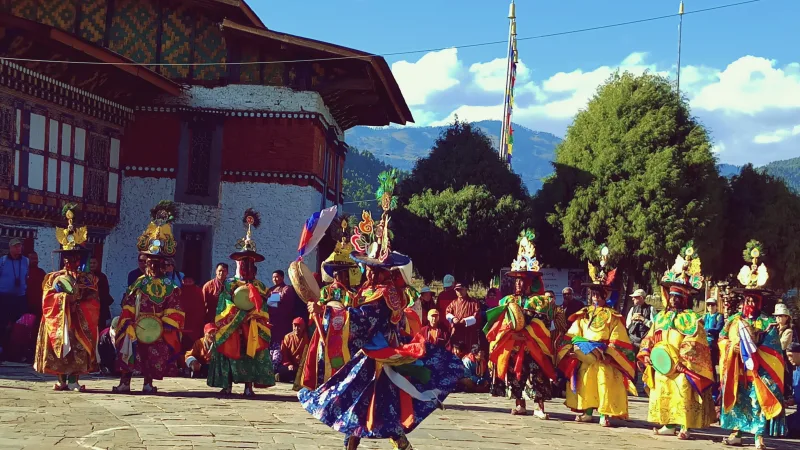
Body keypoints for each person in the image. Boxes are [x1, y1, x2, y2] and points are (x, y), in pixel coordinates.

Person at [298, 175, 463, 450]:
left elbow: (363, 320)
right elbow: (355, 309)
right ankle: (383, 444)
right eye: (367, 267)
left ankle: (391, 443)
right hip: (372, 355)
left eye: (371, 268)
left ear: (380, 271)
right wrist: (327, 307)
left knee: (368, 401)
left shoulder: (384, 294)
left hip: (378, 356)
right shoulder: (373, 291)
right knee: (367, 403)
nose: (366, 271)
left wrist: (327, 314)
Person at [638, 245, 715, 440]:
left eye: (677, 297)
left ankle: (685, 426)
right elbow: (649, 336)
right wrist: (647, 353)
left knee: (683, 391)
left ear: (685, 299)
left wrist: (683, 360)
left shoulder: (691, 319)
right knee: (663, 389)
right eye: (671, 296)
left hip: (681, 365)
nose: (673, 300)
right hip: (662, 363)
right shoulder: (661, 317)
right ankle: (668, 424)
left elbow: (695, 341)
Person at [556, 245, 636, 427]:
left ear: (605, 295)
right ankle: (587, 411)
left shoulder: (612, 316)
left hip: (604, 356)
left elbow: (619, 338)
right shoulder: (583, 314)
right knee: (586, 381)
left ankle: (604, 414)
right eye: (592, 294)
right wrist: (570, 348)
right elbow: (573, 333)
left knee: (603, 382)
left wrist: (607, 351)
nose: (594, 298)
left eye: (598, 295)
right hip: (585, 354)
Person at [113, 201, 185, 394]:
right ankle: (125, 382)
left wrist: (164, 325)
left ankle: (148, 382)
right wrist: (128, 321)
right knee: (128, 350)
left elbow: (175, 309)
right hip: (136, 325)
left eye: (156, 263)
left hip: (158, 327)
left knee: (153, 355)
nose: (151, 266)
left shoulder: (171, 286)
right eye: (149, 262)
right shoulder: (139, 283)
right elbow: (128, 303)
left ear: (163, 264)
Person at [720, 242, 786, 449]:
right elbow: (722, 339)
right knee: (738, 401)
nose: (749, 305)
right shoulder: (732, 320)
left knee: (757, 403)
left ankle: (759, 438)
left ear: (760, 303)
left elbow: (774, 350)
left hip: (758, 372)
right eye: (747, 300)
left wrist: (756, 353)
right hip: (736, 368)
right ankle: (736, 433)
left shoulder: (767, 323)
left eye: (753, 301)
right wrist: (732, 347)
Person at [486, 233, 557, 419]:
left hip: (533, 345)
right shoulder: (508, 300)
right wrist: (511, 335)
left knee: (537, 374)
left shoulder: (539, 301)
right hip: (515, 344)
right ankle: (520, 404)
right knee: (516, 376)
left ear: (530, 282)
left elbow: (542, 324)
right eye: (516, 280)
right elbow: (501, 323)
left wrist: (527, 334)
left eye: (522, 280)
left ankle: (539, 407)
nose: (517, 284)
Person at [33, 205, 100, 391]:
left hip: (79, 319)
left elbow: (94, 300)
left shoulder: (89, 278)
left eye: (74, 257)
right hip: (60, 318)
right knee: (59, 348)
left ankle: (73, 380)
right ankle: (62, 379)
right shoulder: (52, 278)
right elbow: (47, 298)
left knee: (78, 347)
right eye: (67, 257)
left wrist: (78, 300)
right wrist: (63, 299)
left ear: (80, 258)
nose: (70, 261)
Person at [207, 209, 274, 397]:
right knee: (228, 351)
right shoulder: (230, 284)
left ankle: (248, 386)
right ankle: (227, 385)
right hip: (232, 326)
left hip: (252, 326)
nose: (246, 266)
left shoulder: (260, 286)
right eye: (243, 262)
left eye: (250, 263)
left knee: (251, 354)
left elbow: (264, 308)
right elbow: (224, 305)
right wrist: (239, 314)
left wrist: (254, 315)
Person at [295, 262, 357, 391]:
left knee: (344, 359)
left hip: (345, 334)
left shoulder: (352, 294)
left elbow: (354, 314)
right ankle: (323, 388)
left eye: (345, 275)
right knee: (323, 358)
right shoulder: (325, 291)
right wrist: (315, 310)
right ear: (334, 276)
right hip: (325, 330)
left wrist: (325, 310)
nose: (342, 278)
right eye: (339, 274)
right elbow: (316, 311)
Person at [268, 269, 303, 368]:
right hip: (272, 322)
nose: (275, 279)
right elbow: (270, 305)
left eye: (277, 276)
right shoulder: (271, 289)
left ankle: (278, 366)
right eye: (273, 277)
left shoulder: (287, 288)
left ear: (282, 277)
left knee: (281, 344)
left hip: (283, 322)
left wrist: (273, 297)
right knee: (271, 345)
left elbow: (276, 302)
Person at [1, 238, 29, 347]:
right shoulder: (2, 261)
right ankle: (2, 347)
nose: (19, 248)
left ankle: (17, 349)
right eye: (16, 246)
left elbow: (27, 276)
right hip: (4, 297)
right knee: (2, 323)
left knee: (20, 323)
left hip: (20, 297)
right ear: (11, 248)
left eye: (20, 246)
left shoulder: (25, 261)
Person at [446, 283, 482, 355]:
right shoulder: (453, 303)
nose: (459, 292)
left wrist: (466, 321)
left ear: (466, 289)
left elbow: (477, 315)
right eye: (457, 290)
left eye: (461, 289)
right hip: (457, 332)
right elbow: (447, 313)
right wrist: (453, 319)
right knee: (456, 353)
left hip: (469, 333)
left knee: (469, 353)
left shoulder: (474, 302)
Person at [704, 297, 725, 401]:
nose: (710, 307)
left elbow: (718, 329)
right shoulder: (705, 316)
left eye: (712, 305)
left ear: (716, 306)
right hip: (705, 343)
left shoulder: (719, 316)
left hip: (714, 344)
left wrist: (707, 330)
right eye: (708, 305)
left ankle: (714, 390)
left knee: (713, 367)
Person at [773, 303, 795, 403]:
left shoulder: (788, 331)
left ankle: (786, 397)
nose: (778, 318)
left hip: (783, 358)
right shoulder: (774, 328)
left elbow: (782, 345)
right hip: (773, 357)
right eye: (777, 316)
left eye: (781, 315)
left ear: (786, 317)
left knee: (784, 378)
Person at [180, 276, 206, 352]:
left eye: (190, 281)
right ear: (182, 281)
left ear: (194, 282)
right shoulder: (179, 291)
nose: (187, 283)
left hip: (195, 325)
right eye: (186, 281)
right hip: (182, 324)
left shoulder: (198, 291)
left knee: (194, 348)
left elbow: (202, 308)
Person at [278, 317, 308, 383]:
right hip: (291, 366)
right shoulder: (288, 337)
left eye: (299, 326)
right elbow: (284, 354)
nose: (296, 329)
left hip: (302, 366)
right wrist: (289, 364)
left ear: (303, 327)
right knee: (283, 371)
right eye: (295, 326)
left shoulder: (307, 338)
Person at [89, 257, 113, 329]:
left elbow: (105, 291)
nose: (92, 265)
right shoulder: (85, 276)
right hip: (89, 306)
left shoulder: (102, 277)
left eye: (94, 263)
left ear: (97, 264)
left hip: (100, 306)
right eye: (90, 263)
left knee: (100, 327)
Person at [25, 252, 46, 317]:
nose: (35, 260)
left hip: (39, 305)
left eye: (36, 258)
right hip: (26, 304)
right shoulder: (24, 271)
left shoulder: (41, 272)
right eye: (32, 258)